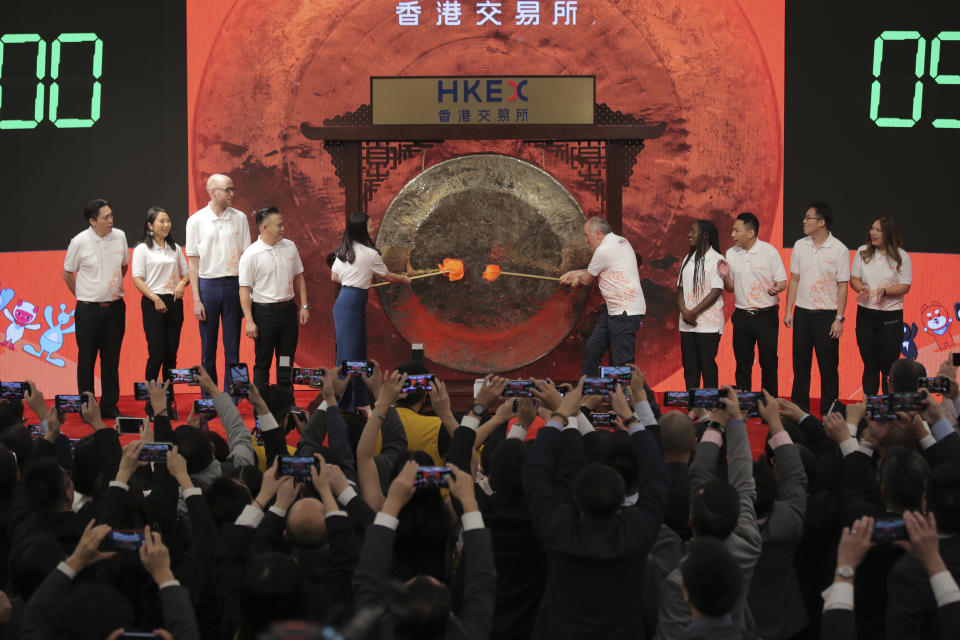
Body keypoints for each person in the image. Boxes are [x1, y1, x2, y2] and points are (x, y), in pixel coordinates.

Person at [330, 212, 410, 410]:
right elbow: (388, 277)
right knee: (350, 355)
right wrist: (405, 280)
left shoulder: (344, 249)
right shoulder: (369, 254)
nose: (373, 229)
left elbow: (334, 277)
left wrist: (354, 280)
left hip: (345, 302)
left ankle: (356, 401)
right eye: (371, 226)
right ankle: (349, 404)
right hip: (352, 304)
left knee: (353, 353)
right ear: (362, 229)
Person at [62, 198, 129, 419]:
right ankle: (87, 406)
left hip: (116, 309)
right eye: (105, 217)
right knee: (87, 358)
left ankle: (109, 404)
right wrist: (85, 295)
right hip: (88, 311)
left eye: (111, 215)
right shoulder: (79, 242)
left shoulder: (119, 236)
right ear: (92, 221)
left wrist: (108, 290)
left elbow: (123, 267)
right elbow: (67, 273)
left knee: (111, 359)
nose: (111, 220)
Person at [185, 173, 251, 395]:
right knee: (208, 349)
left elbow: (246, 258)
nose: (232, 194)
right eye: (227, 190)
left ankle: (236, 394)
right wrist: (196, 299)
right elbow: (193, 263)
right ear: (213, 192)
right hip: (208, 287)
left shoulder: (240, 218)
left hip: (234, 285)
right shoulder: (195, 220)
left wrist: (247, 293)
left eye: (233, 189)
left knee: (233, 347)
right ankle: (209, 397)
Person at [784, 202, 850, 413]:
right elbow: (794, 280)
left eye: (808, 217)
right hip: (802, 314)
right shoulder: (799, 245)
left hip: (827, 316)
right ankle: (799, 411)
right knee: (800, 367)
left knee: (828, 368)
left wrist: (839, 318)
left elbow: (843, 286)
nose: (804, 221)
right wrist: (788, 310)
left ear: (821, 222)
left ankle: (829, 412)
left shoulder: (839, 249)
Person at [559, 216, 646, 376]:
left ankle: (639, 400)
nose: (585, 240)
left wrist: (574, 276)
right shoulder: (621, 241)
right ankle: (587, 393)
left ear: (598, 233)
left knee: (623, 364)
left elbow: (586, 280)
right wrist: (575, 273)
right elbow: (598, 269)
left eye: (587, 235)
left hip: (624, 312)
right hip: (613, 310)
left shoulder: (603, 250)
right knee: (593, 350)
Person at [238, 207, 309, 391]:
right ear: (264, 227)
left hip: (287, 312)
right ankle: (262, 409)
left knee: (286, 360)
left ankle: (285, 402)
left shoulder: (290, 246)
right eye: (279, 225)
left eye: (282, 224)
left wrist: (304, 305)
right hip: (264, 315)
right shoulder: (251, 254)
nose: (283, 228)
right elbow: (244, 290)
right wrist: (250, 321)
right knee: (263, 361)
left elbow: (299, 277)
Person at [719, 212, 788, 395]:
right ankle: (743, 407)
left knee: (769, 363)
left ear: (750, 233)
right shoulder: (731, 253)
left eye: (736, 230)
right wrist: (725, 276)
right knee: (742, 364)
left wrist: (777, 289)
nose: (732, 235)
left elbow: (782, 281)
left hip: (766, 316)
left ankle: (769, 405)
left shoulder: (769, 251)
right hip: (742, 316)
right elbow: (731, 288)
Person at [849, 216, 912, 395]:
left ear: (888, 233)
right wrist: (861, 288)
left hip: (890, 316)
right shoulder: (863, 252)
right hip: (866, 315)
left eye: (878, 230)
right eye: (872, 229)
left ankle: (888, 411)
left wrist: (885, 291)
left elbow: (905, 285)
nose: (873, 233)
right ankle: (869, 410)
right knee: (870, 366)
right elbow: (854, 278)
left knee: (888, 368)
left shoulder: (902, 256)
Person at [131, 207, 189, 382]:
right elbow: (137, 279)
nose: (166, 225)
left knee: (171, 354)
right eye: (161, 221)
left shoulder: (175, 248)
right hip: (153, 303)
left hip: (174, 301)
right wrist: (154, 298)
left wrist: (182, 283)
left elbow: (186, 273)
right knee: (157, 353)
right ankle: (151, 399)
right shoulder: (142, 249)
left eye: (168, 221)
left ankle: (168, 397)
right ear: (150, 225)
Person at [677, 220, 724, 390]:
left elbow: (716, 290)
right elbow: (680, 288)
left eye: (693, 231)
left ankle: (710, 407)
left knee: (707, 367)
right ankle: (694, 406)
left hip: (707, 324)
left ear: (705, 235)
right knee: (690, 367)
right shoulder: (687, 259)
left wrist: (693, 313)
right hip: (687, 324)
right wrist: (684, 311)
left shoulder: (717, 259)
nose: (689, 235)